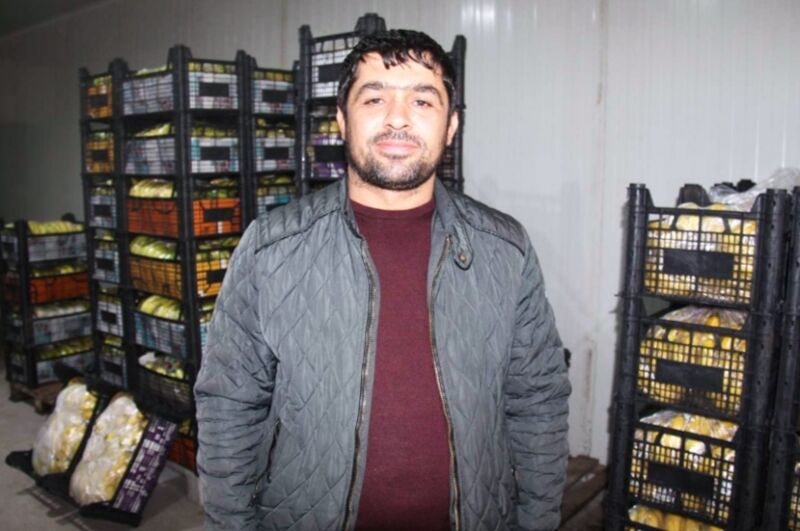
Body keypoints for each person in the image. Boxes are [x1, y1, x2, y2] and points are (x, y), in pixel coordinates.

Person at [195, 29, 571, 531]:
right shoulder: (271, 248)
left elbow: (539, 400)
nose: (397, 117)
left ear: (451, 126)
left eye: (422, 100)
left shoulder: (506, 249)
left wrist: (538, 521)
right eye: (374, 98)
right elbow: (229, 404)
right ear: (341, 120)